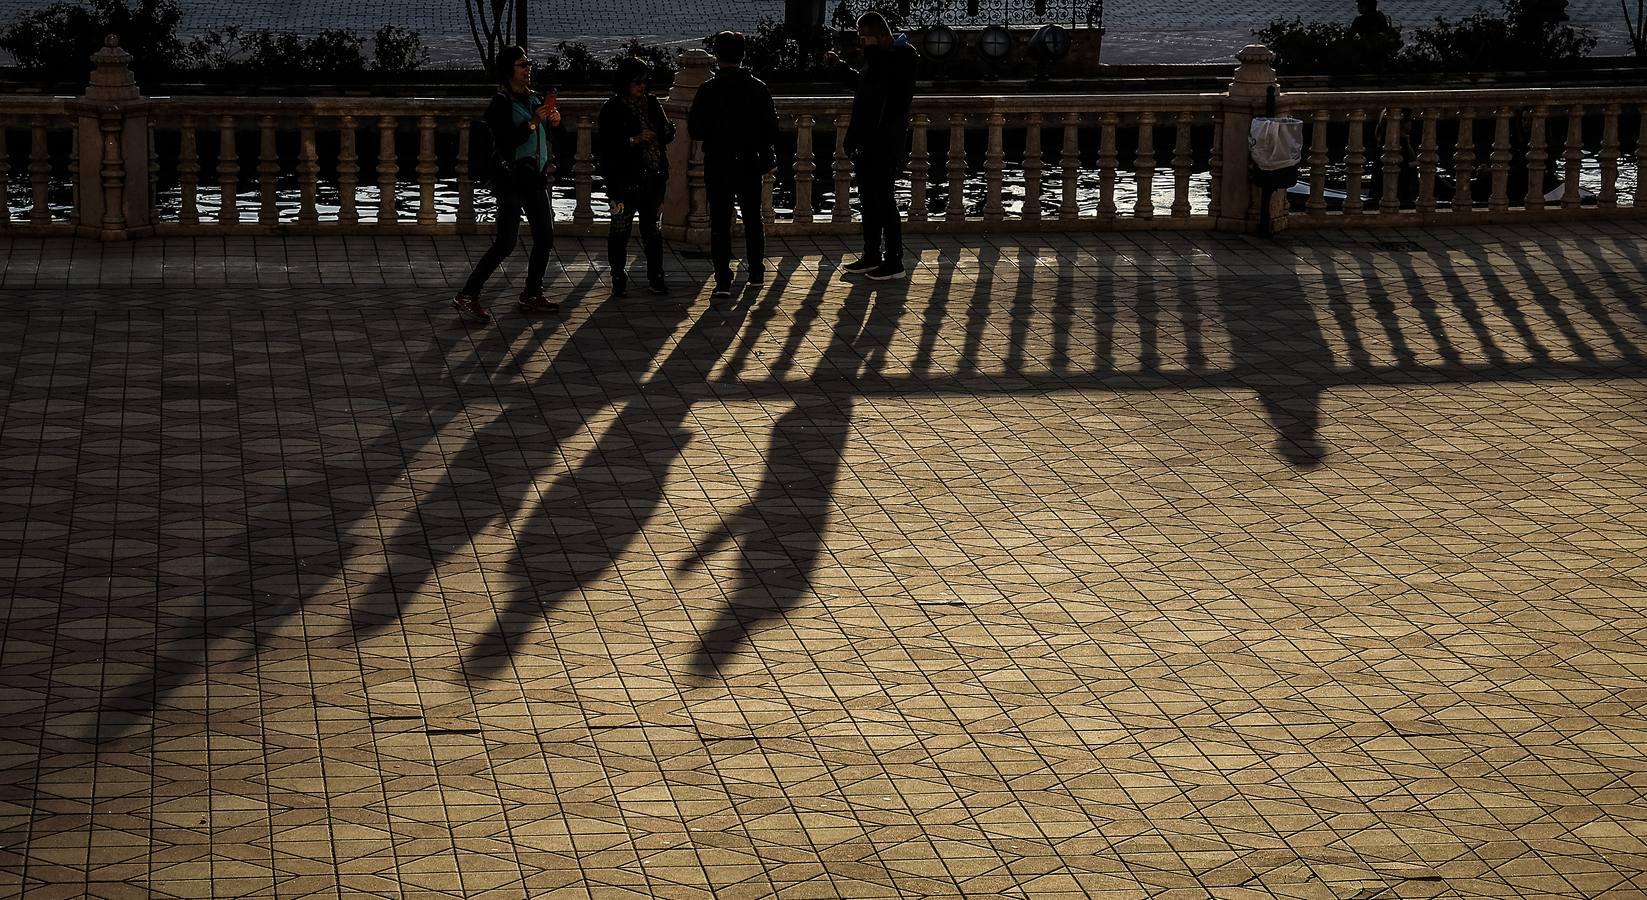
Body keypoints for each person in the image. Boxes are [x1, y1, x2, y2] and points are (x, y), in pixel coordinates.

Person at [453, 45, 562, 323]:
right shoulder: (501, 103)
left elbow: (542, 136)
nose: (528, 69)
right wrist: (534, 123)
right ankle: (468, 294)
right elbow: (505, 142)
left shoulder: (532, 98)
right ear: (509, 70)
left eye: (528, 64)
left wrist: (553, 122)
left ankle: (531, 293)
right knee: (506, 242)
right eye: (522, 65)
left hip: (534, 177)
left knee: (545, 237)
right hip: (512, 179)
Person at [826, 12, 917, 281]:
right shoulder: (878, 61)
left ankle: (894, 260)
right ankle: (871, 254)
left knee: (884, 200)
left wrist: (875, 54)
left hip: (885, 141)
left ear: (880, 36)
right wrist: (841, 68)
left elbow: (888, 89)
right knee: (868, 199)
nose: (863, 44)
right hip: (868, 140)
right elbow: (865, 87)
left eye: (865, 38)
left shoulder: (902, 58)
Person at [688, 31, 780, 298]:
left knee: (719, 221)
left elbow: (696, 129)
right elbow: (772, 130)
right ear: (743, 55)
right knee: (753, 218)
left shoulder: (708, 90)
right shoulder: (758, 88)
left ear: (716, 56)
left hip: (719, 161)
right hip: (749, 161)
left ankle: (723, 280)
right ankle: (755, 273)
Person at [599, 57, 676, 296]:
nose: (641, 87)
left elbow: (667, 131)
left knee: (652, 229)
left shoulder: (651, 104)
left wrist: (662, 132)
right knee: (620, 228)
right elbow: (606, 145)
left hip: (653, 176)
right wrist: (634, 140)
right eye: (636, 82)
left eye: (644, 81)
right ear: (625, 83)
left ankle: (656, 276)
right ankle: (618, 276)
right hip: (623, 179)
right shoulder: (612, 108)